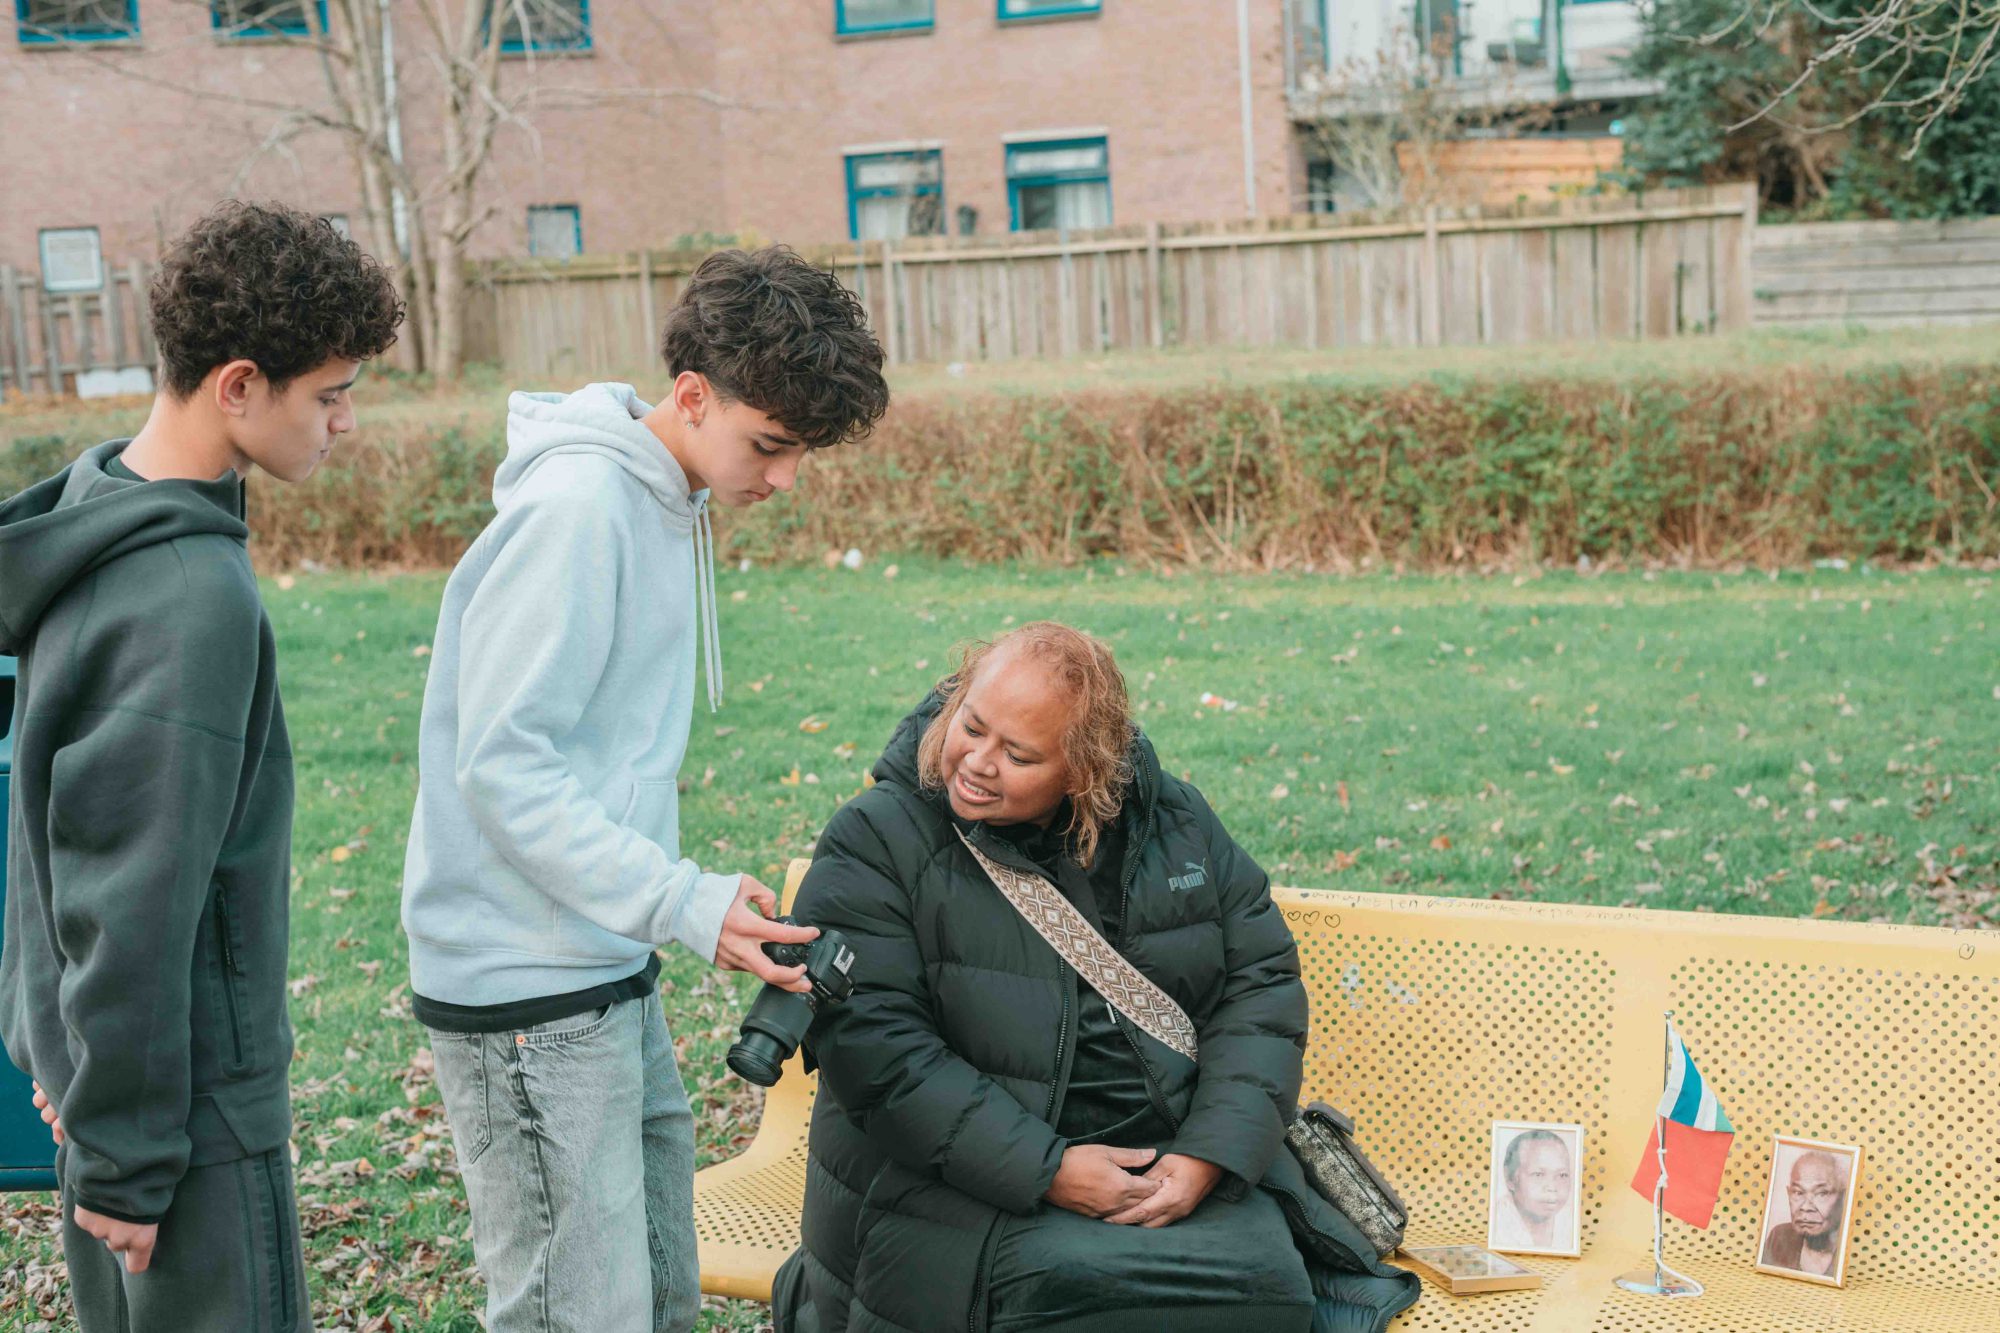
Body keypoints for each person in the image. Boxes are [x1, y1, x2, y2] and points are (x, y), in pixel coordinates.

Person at [399, 246, 889, 1333]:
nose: (783, 477)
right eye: (769, 445)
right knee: (577, 1312)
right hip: (522, 989)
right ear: (689, 395)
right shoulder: (579, 509)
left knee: (657, 1297)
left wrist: (666, 909)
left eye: (801, 452)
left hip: (603, 961)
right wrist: (681, 900)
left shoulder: (664, 496)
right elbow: (503, 764)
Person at [772, 622, 1418, 1333]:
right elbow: (879, 1054)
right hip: (961, 1179)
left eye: (1017, 753)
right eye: (972, 725)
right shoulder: (876, 836)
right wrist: (1047, 1169)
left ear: (1083, 769)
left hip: (1164, 1163)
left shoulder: (1175, 821)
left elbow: (1258, 987)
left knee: (1265, 1286)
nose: (978, 762)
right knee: (1070, 1288)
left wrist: (1208, 1153)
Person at [0, 201, 403, 1330]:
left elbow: (51, 836)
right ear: (237, 386)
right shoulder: (190, 597)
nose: (347, 421)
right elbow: (130, 894)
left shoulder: (95, 514)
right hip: (181, 1126)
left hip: (101, 1091)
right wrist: (128, 1154)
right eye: (329, 392)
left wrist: (53, 1047)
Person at [1760, 1150, 1848, 1276]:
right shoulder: (1779, 1237)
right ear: (1788, 1193)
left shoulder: (1849, 1248)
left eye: (1821, 1193)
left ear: (1844, 1197)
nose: (1806, 1207)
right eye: (1798, 1192)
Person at [1489, 1129, 1575, 1251]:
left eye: (1562, 1175)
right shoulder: (1495, 1227)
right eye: (1538, 1175)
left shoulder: (1572, 1224)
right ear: (1510, 1178)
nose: (1552, 1187)